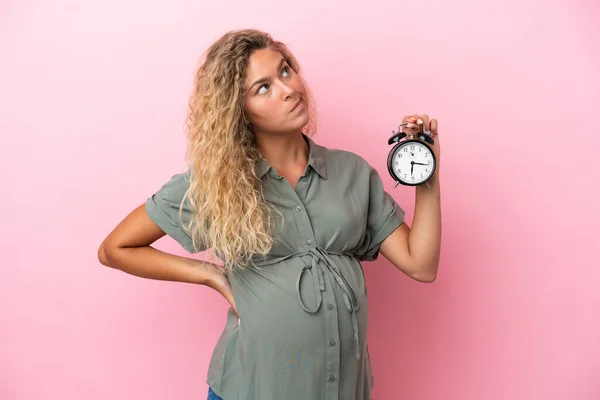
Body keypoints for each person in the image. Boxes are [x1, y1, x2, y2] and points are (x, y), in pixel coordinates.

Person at [97, 28, 442, 400]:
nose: (288, 89)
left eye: (285, 71)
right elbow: (116, 248)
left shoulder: (353, 173)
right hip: (250, 388)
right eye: (263, 88)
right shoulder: (218, 185)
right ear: (238, 112)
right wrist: (210, 275)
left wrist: (428, 174)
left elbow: (421, 265)